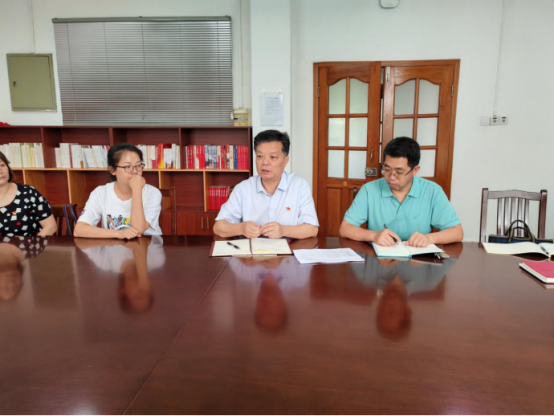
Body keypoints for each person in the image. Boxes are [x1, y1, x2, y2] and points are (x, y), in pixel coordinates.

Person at [339, 137, 463, 247]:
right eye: (387, 169)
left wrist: (428, 238)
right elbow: (345, 228)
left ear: (415, 170)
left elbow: (457, 232)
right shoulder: (369, 190)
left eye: (399, 172)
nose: (391, 177)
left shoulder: (432, 191)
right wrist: (374, 235)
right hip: (379, 260)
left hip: (417, 260)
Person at [213, 130, 318, 239]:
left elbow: (312, 229)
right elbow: (218, 227)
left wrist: (284, 230)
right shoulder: (243, 188)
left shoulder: (299, 186)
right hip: (250, 249)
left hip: (288, 249)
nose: (265, 162)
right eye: (260, 156)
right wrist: (241, 228)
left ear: (285, 160)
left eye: (273, 157)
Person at [74, 143, 162, 238]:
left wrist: (137, 190)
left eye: (138, 165)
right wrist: (118, 233)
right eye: (127, 167)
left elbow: (138, 230)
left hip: (147, 245)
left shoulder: (153, 193)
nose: (135, 171)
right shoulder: (100, 193)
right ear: (112, 170)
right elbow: (79, 230)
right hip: (113, 246)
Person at [0, 151, 56, 237]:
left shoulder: (28, 192)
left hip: (30, 244)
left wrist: (34, 244)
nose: (0, 171)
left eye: (2, 165)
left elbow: (51, 226)